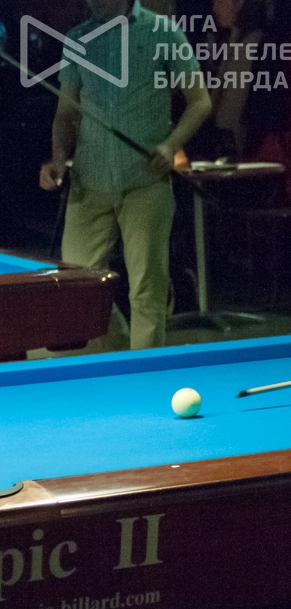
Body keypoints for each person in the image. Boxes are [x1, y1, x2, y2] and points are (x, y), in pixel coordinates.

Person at [40, 0, 211, 350]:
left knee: (147, 290)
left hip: (146, 181)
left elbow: (200, 101)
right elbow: (65, 113)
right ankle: (117, 355)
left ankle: (144, 371)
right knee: (78, 288)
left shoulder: (163, 32)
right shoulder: (78, 37)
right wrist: (58, 158)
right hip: (88, 182)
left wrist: (170, 145)